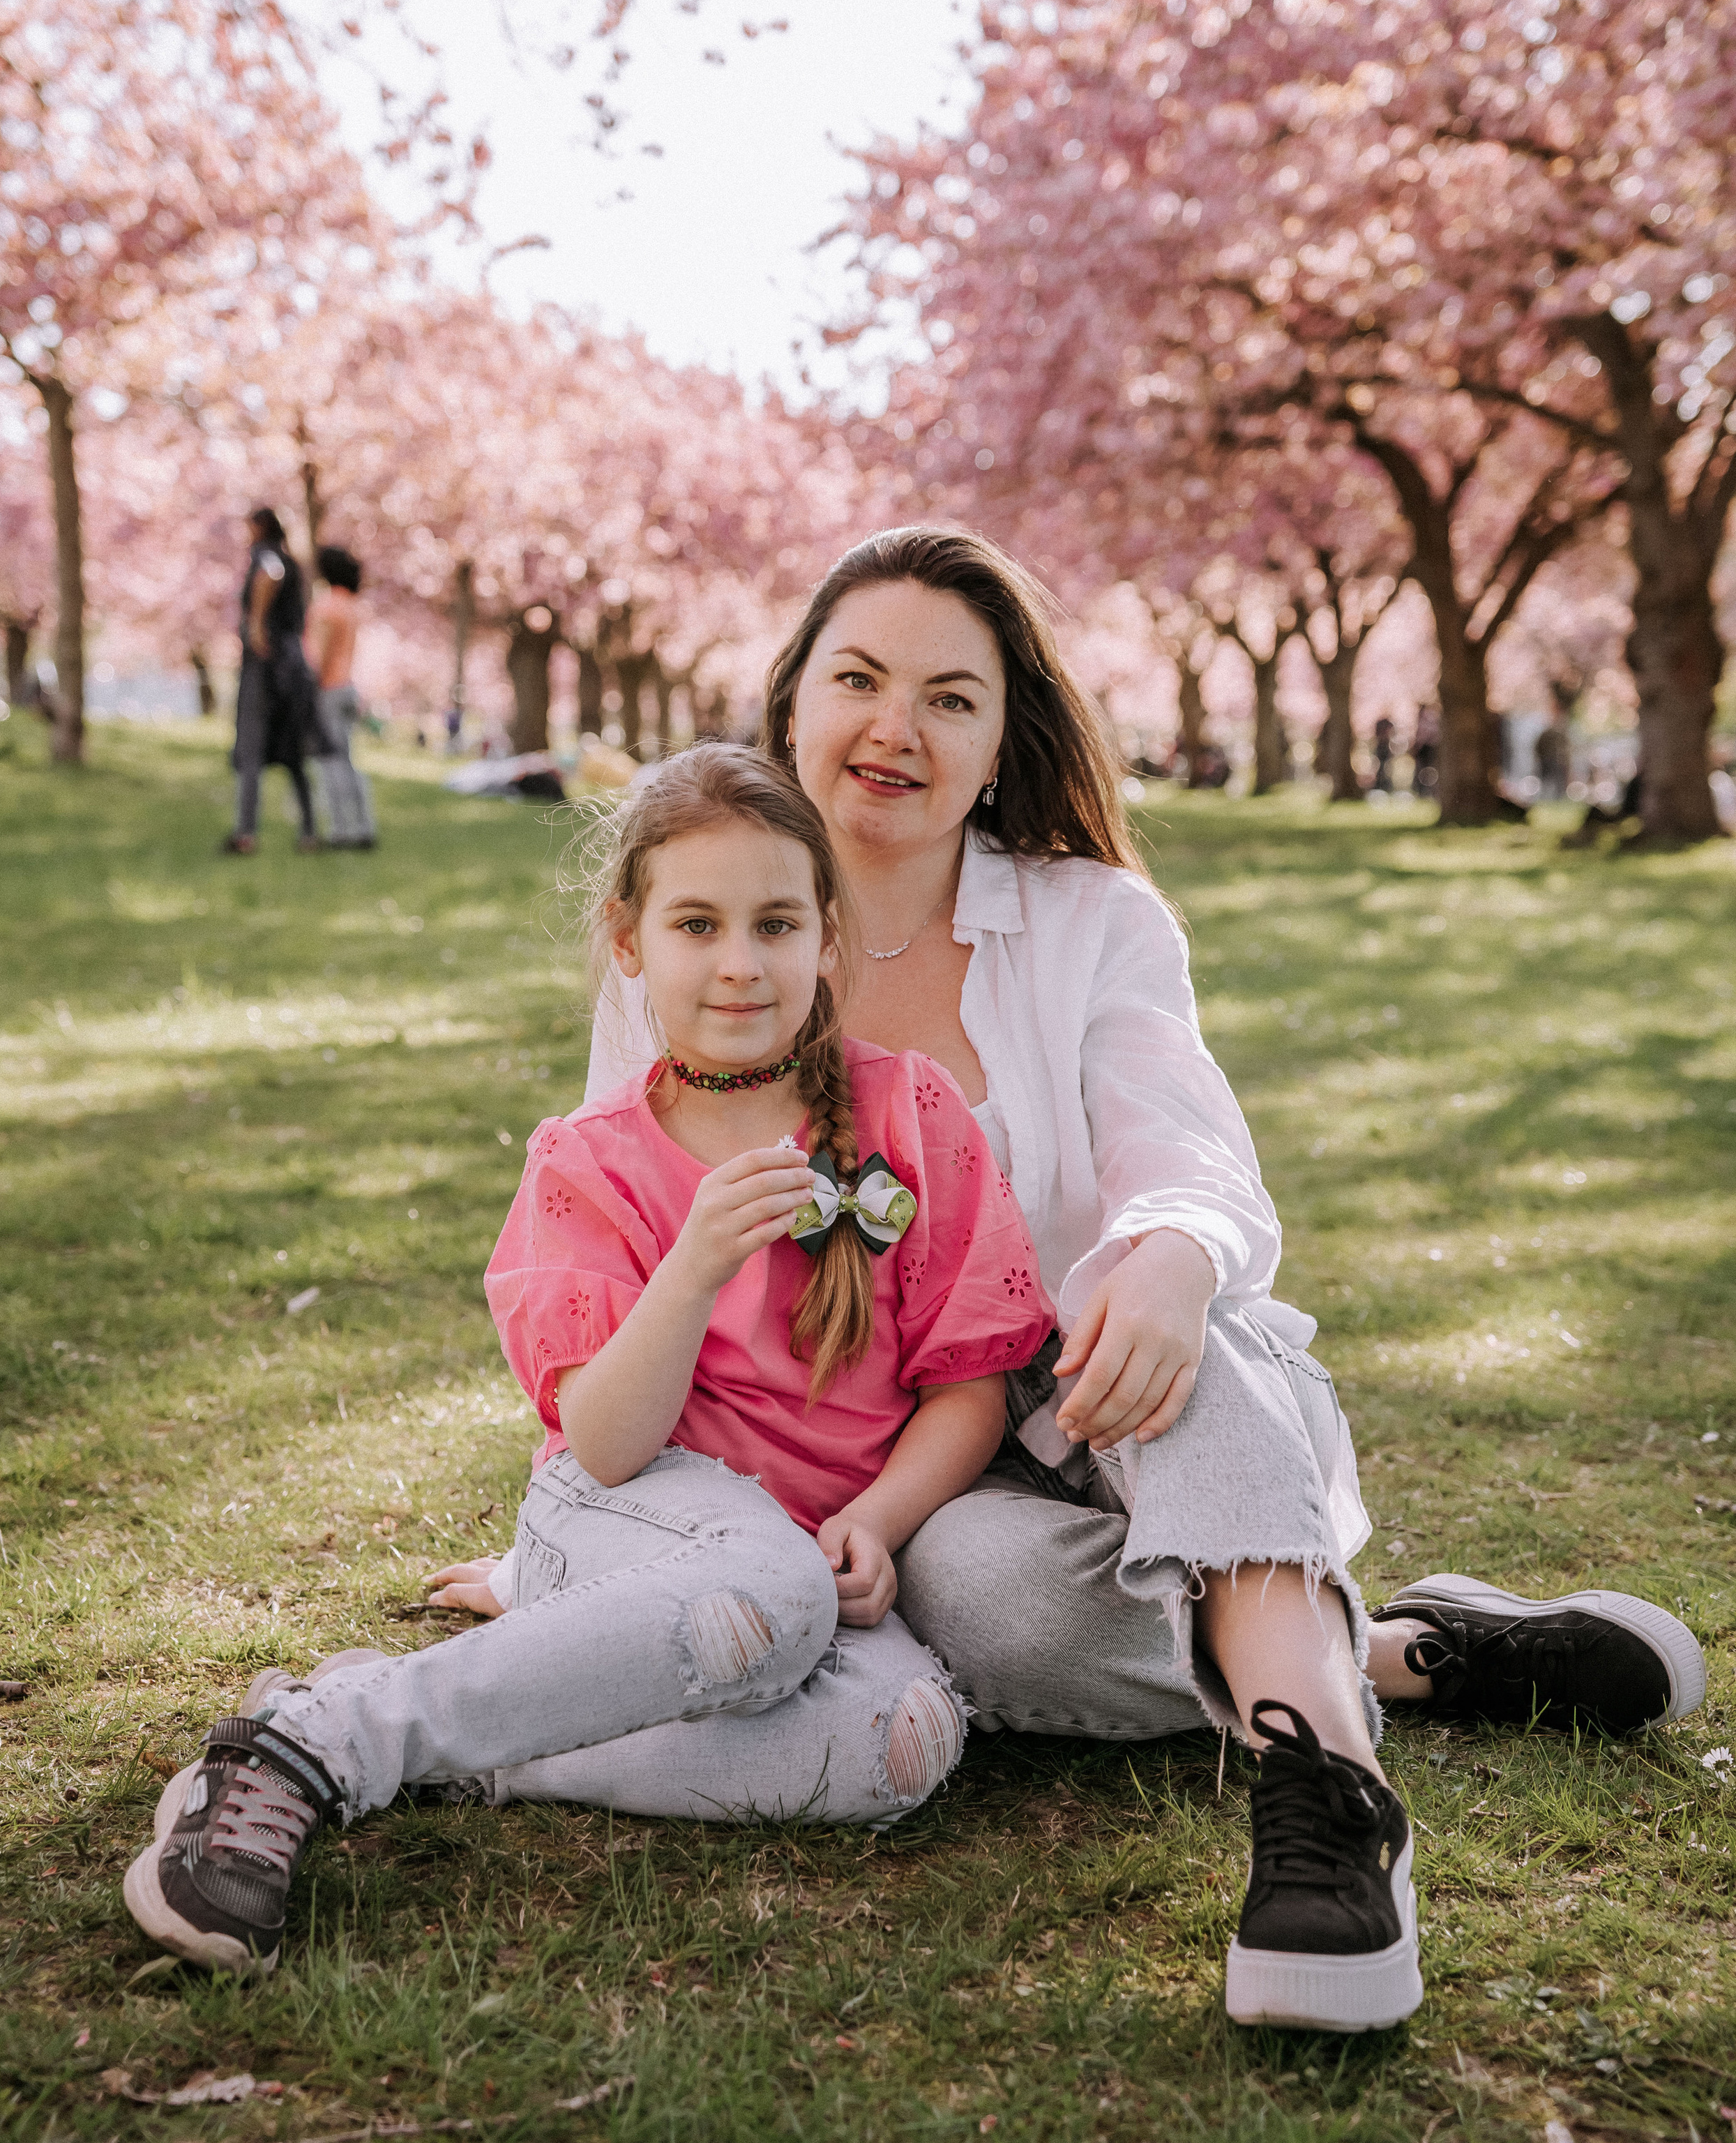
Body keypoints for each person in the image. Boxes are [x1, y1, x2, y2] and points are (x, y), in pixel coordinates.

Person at [540, 529, 1703, 2034]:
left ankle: (1327, 1794)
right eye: (858, 678)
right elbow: (638, 1275)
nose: (896, 726)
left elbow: (1186, 1151)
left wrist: (1166, 1258)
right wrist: (600, 1559)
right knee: (971, 1605)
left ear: (999, 739)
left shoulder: (1091, 924)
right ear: (791, 705)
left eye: (949, 697)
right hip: (936, 1462)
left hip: (1145, 1381)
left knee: (1160, 1326)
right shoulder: (699, 939)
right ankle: (1410, 1657)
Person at [123, 742, 1052, 1975]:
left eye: (776, 922)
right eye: (697, 923)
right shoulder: (587, 1161)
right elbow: (609, 1442)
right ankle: (313, 1740)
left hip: (815, 1559)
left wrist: (880, 1521)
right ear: (630, 941)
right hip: (623, 1515)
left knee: (907, 1740)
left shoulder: (913, 1115)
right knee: (761, 1595)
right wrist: (693, 1268)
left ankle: (490, 1740)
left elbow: (967, 1388)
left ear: (829, 938)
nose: (738, 961)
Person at [222, 509, 319, 856]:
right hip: (292, 667)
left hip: (266, 668)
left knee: (251, 749)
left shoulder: (268, 556)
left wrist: (257, 624)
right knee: (293, 752)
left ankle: (246, 833)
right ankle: (309, 832)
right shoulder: (293, 562)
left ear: (259, 527)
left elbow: (270, 574)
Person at [308, 546, 377, 850]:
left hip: (328, 691)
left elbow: (318, 657)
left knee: (330, 762)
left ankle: (340, 831)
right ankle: (363, 827)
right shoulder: (351, 606)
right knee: (348, 762)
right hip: (348, 688)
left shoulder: (326, 607)